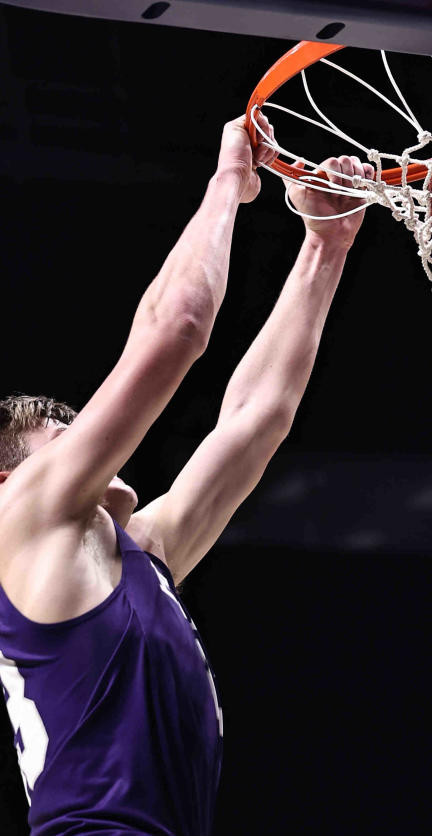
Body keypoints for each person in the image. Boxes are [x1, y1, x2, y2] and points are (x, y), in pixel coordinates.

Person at [0, 112, 373, 835]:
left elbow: (255, 420)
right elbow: (176, 330)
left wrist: (324, 248)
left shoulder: (138, 553)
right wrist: (230, 179)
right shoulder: (21, 523)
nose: (94, 444)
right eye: (66, 435)